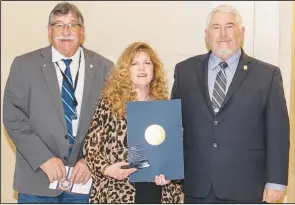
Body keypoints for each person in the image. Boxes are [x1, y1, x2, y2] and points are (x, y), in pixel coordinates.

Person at [171, 4, 290, 204]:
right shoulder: (185, 71)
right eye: (216, 27)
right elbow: (174, 126)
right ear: (206, 34)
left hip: (247, 187)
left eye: (230, 26)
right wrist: (167, 167)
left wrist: (276, 182)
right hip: (198, 187)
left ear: (241, 32)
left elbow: (278, 133)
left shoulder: (267, 75)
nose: (223, 34)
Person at [3, 2, 113, 203]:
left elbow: (112, 123)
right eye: (58, 25)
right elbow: (13, 117)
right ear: (49, 31)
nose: (66, 31)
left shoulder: (105, 67)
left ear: (82, 31)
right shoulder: (24, 65)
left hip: (84, 180)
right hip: (37, 179)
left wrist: (91, 159)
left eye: (72, 25)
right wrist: (43, 158)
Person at [83, 42, 183, 203]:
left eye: (147, 63)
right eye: (135, 64)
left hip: (159, 192)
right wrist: (108, 169)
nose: (141, 69)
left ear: (154, 69)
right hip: (118, 191)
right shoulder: (110, 105)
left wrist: (170, 175)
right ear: (125, 70)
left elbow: (175, 151)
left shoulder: (165, 107)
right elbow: (90, 148)